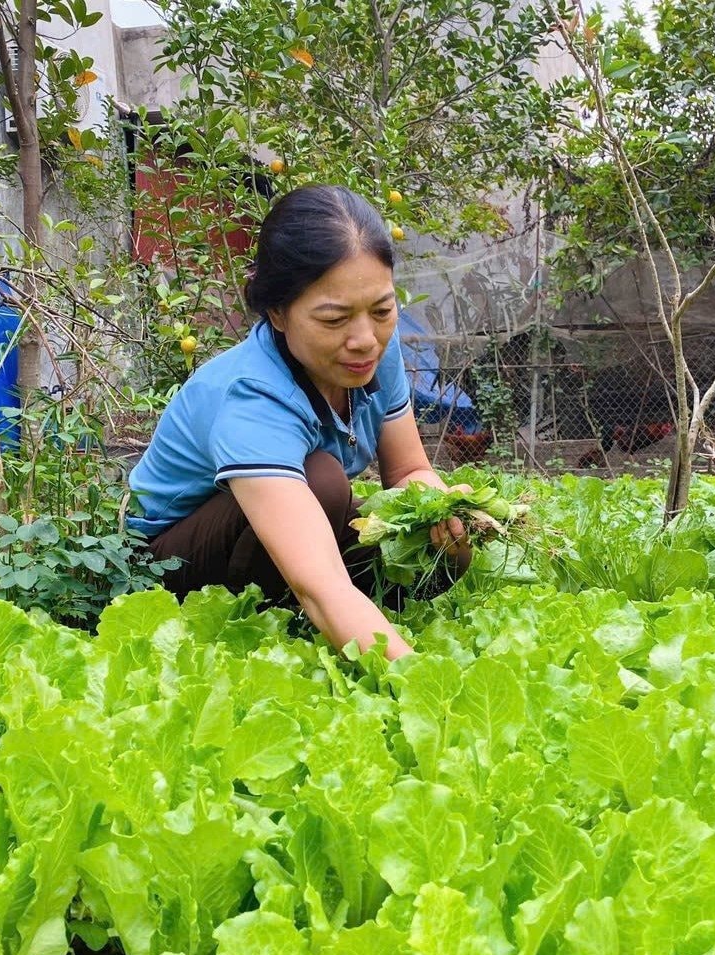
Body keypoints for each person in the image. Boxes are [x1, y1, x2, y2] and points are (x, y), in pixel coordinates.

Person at [127, 184, 470, 661]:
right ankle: (262, 625)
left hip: (272, 526)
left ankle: (347, 621)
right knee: (324, 481)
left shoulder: (374, 351)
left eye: (382, 311)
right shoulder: (252, 397)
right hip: (166, 565)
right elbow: (320, 584)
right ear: (278, 313)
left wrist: (442, 508)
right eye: (334, 319)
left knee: (436, 543)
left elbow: (410, 472)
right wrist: (422, 682)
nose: (365, 339)